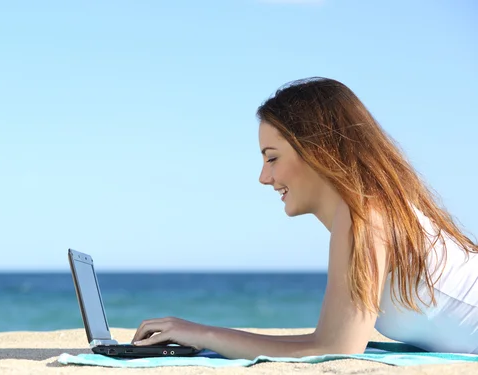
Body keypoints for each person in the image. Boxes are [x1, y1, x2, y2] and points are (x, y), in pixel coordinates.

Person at [131, 77, 478, 359]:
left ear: (316, 151)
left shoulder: (366, 215)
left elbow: (336, 349)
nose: (264, 177)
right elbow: (327, 338)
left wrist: (203, 334)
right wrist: (203, 335)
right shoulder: (365, 211)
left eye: (272, 158)